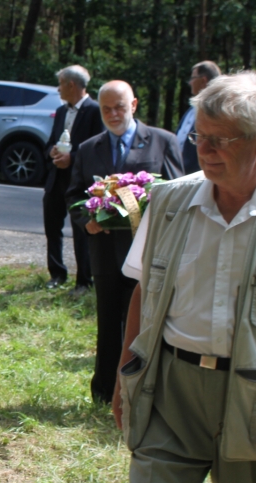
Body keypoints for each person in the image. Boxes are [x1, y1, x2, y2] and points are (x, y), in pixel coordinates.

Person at [113, 71, 256, 483]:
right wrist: (124, 373)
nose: (203, 151)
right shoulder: (169, 201)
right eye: (199, 137)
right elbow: (143, 292)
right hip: (170, 388)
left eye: (219, 140)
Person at [67, 80, 183, 403]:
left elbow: (178, 194)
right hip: (104, 253)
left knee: (144, 324)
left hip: (147, 252)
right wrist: (86, 221)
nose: (113, 114)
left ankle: (142, 391)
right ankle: (105, 392)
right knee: (107, 324)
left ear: (133, 105)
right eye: (106, 109)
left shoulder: (163, 142)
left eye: (119, 107)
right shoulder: (88, 148)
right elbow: (73, 195)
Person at [41, 64, 102, 293]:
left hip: (80, 181)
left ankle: (84, 281)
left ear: (71, 85)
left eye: (60, 84)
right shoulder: (61, 111)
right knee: (52, 227)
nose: (58, 89)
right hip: (56, 178)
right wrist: (52, 152)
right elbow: (50, 141)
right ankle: (57, 273)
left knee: (82, 230)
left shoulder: (94, 110)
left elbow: (98, 148)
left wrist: (72, 158)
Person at [176, 60, 221, 174]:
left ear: (203, 80)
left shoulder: (217, 112)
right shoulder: (192, 109)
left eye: (193, 78)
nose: (190, 82)